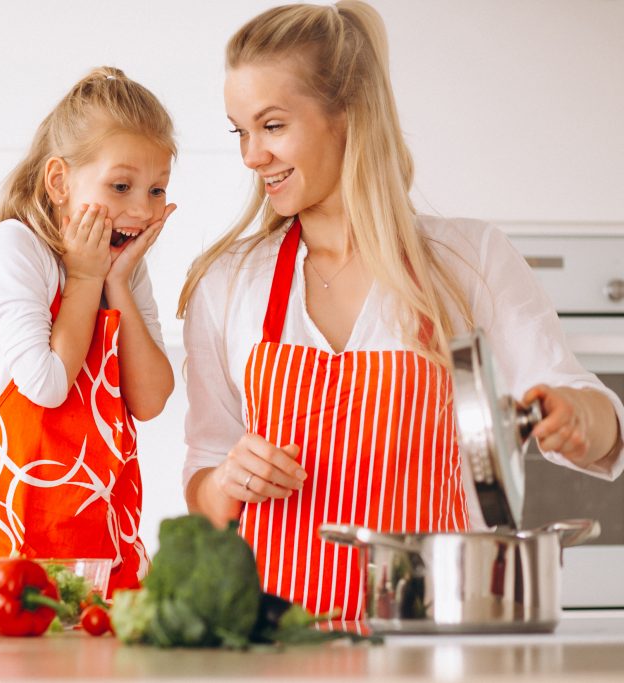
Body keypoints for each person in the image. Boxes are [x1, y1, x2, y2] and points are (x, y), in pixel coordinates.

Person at [178, 2, 624, 621]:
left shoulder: (468, 260)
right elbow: (203, 479)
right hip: (273, 642)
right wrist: (228, 482)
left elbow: (596, 420)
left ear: (347, 112)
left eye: (272, 126)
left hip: (435, 637)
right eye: (240, 132)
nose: (252, 156)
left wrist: (577, 417)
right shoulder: (228, 283)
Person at [0, 66, 176, 592]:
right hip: (14, 541)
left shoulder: (125, 271)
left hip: (105, 538)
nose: (142, 209)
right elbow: (47, 385)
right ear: (59, 182)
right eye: (121, 186)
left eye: (157, 189)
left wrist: (116, 282)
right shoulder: (16, 247)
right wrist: (85, 278)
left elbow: (150, 399)